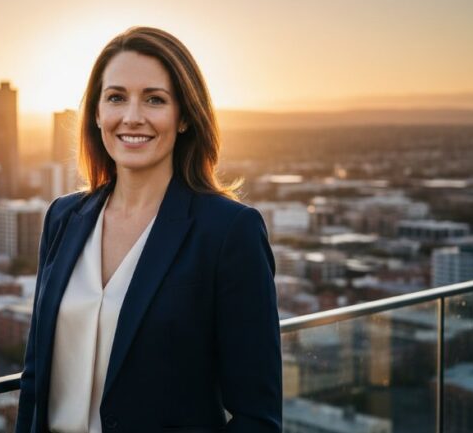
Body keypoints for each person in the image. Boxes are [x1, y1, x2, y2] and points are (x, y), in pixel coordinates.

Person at [15, 26, 281, 433]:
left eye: (154, 99)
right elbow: (35, 381)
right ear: (97, 114)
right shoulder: (63, 218)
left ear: (185, 118)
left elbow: (256, 417)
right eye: (116, 97)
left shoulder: (229, 232)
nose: (132, 116)